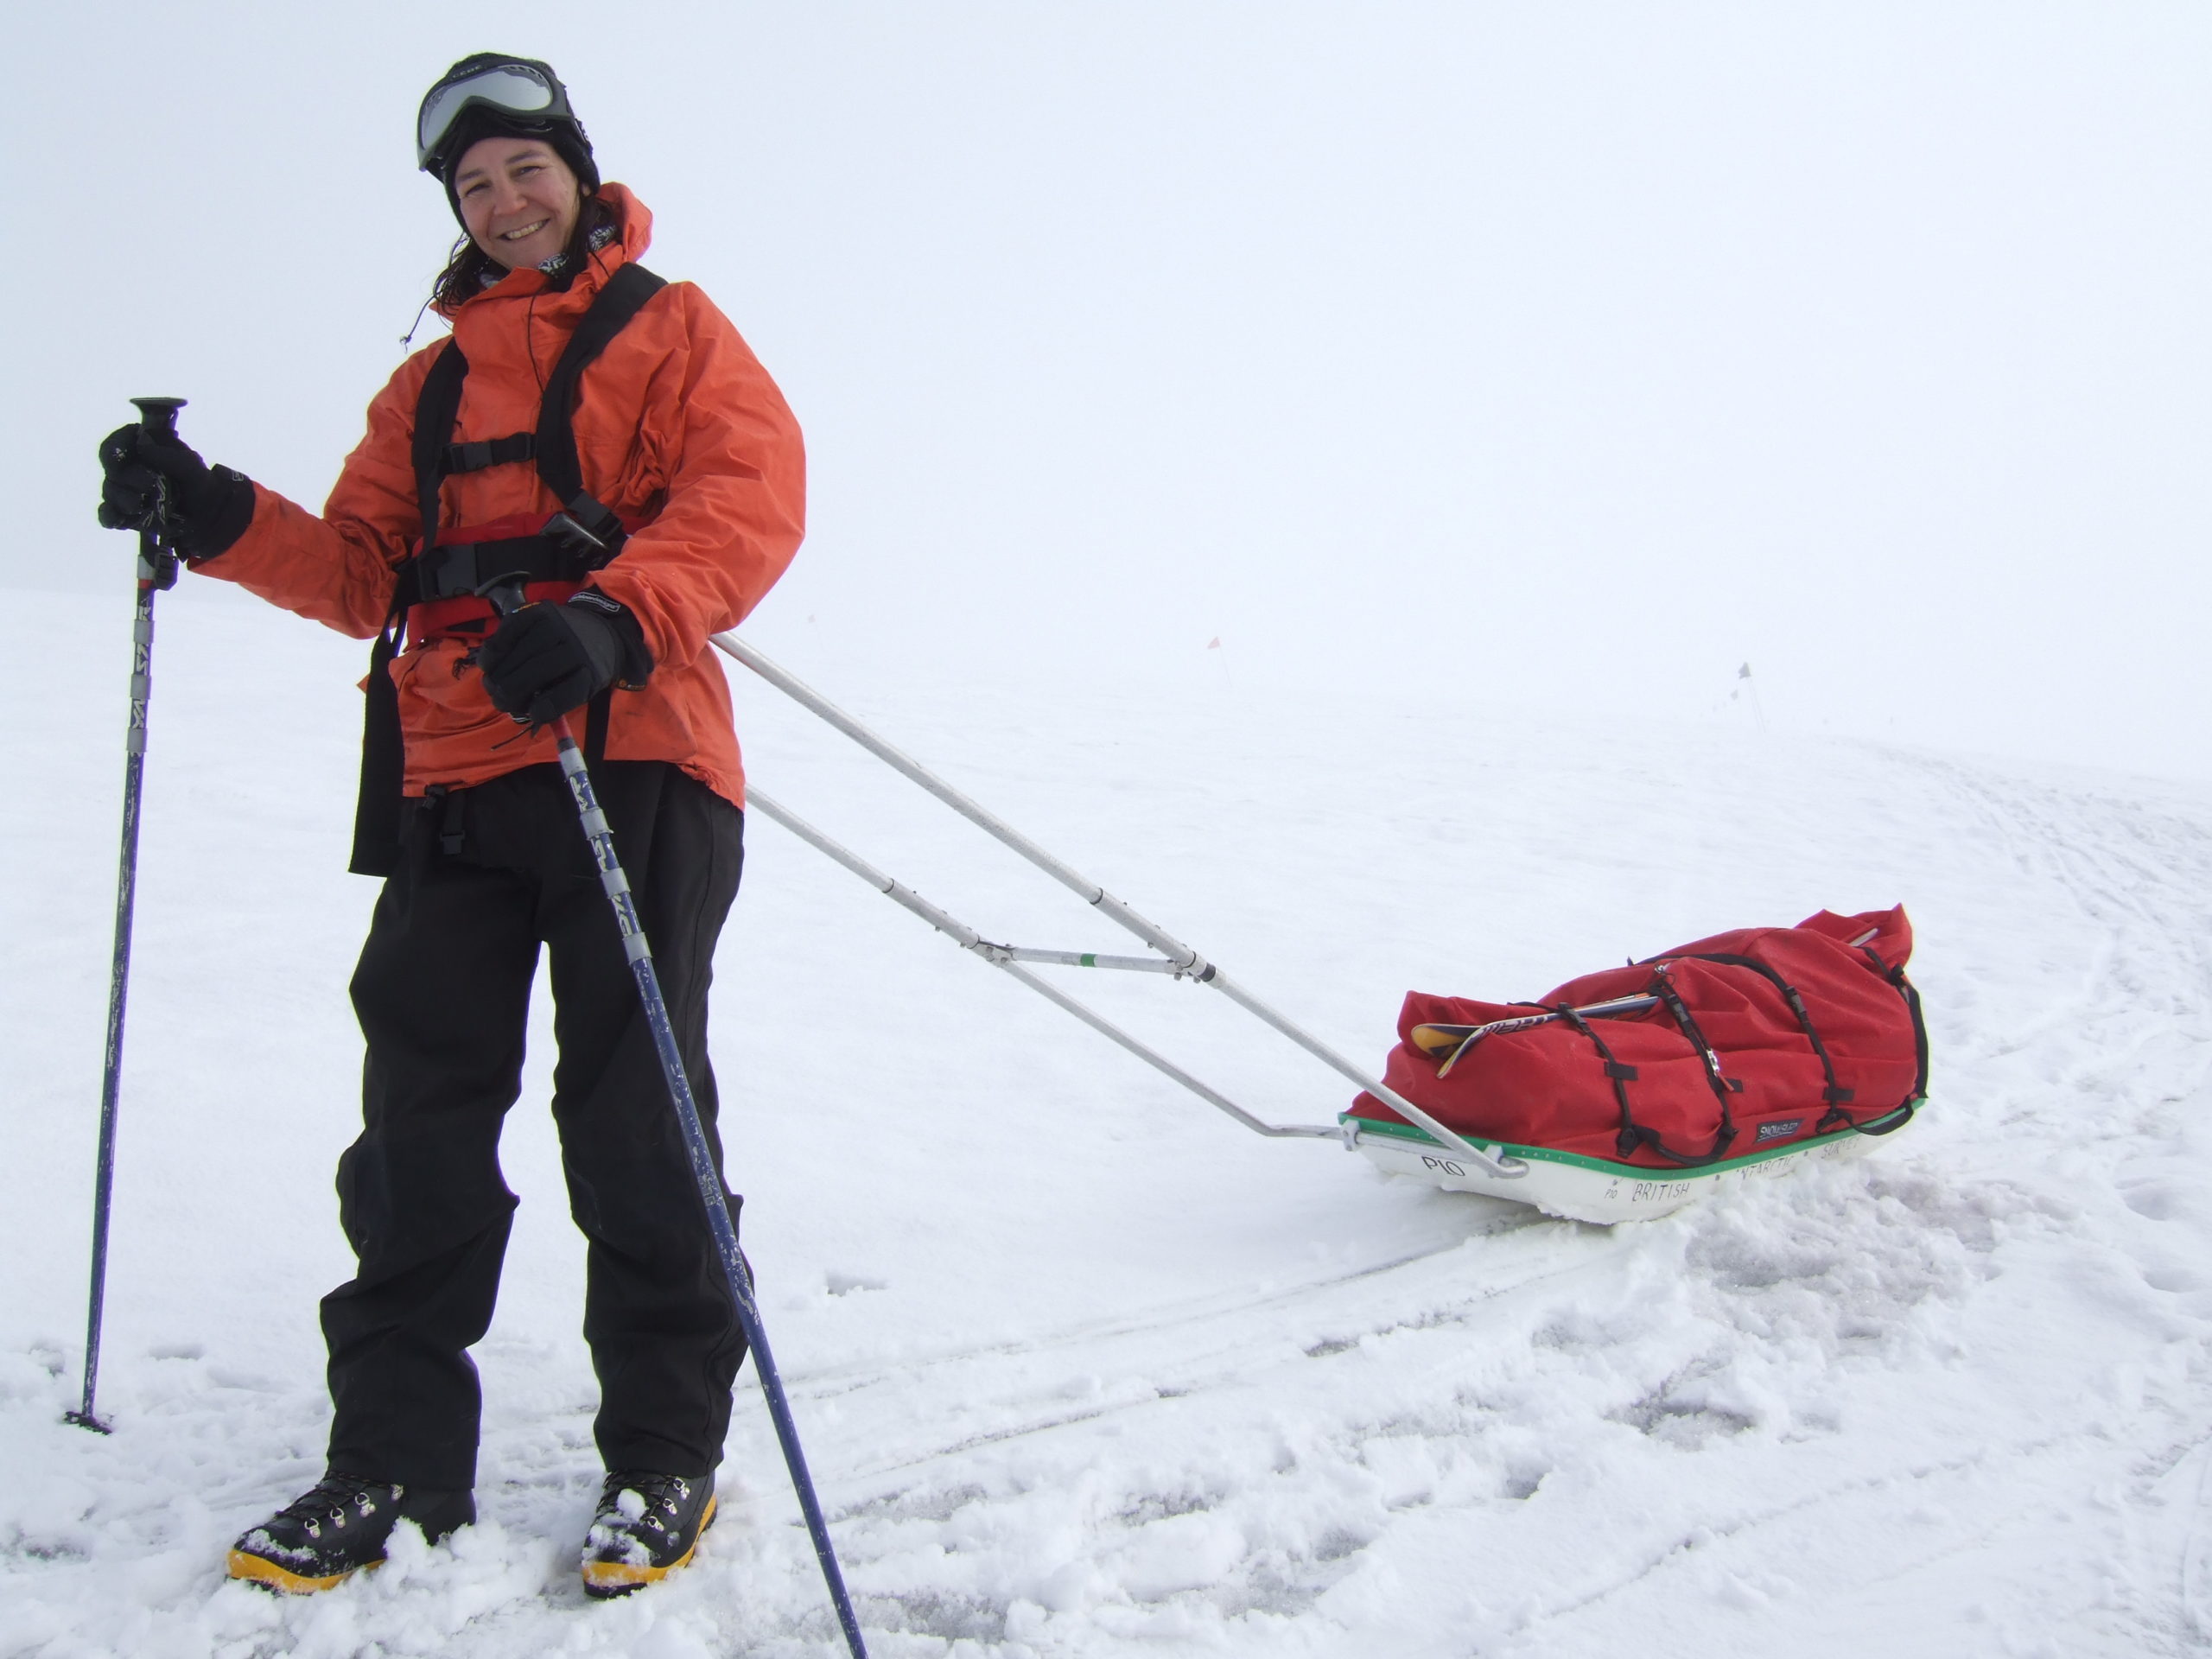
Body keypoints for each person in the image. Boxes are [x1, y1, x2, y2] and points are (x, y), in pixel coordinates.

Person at [94, 54, 804, 1599]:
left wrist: (621, 620)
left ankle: (663, 1453)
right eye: (473, 186)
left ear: (576, 169)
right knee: (417, 1131)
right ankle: (393, 1466)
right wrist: (206, 508)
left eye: (523, 170)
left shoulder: (671, 328)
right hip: (456, 779)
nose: (502, 201)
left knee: (635, 1120)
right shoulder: (422, 387)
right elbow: (361, 569)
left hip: (637, 757)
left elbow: (747, 499)